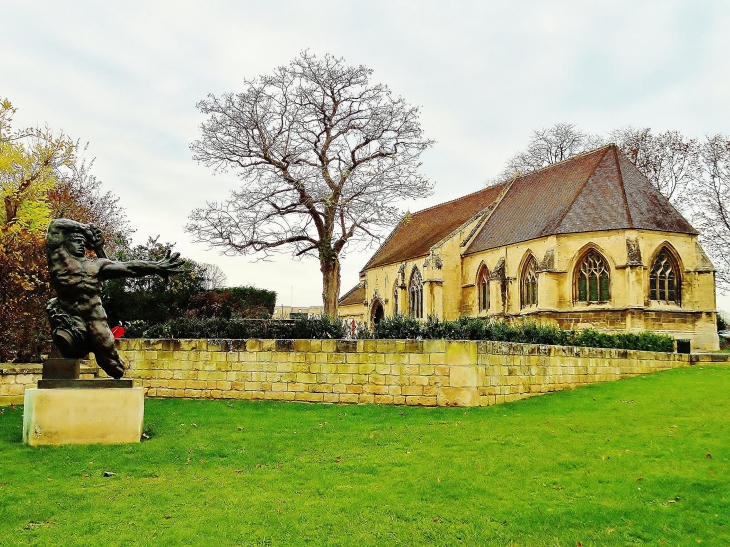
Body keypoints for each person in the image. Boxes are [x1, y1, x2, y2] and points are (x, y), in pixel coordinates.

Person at [46, 219, 184, 379]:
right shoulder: (59, 259)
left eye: (83, 242)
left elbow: (128, 268)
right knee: (66, 343)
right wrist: (86, 229)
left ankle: (88, 343)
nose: (81, 245)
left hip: (94, 316)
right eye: (76, 241)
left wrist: (156, 267)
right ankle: (75, 338)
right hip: (68, 313)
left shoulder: (97, 265)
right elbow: (55, 225)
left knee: (115, 369)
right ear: (65, 243)